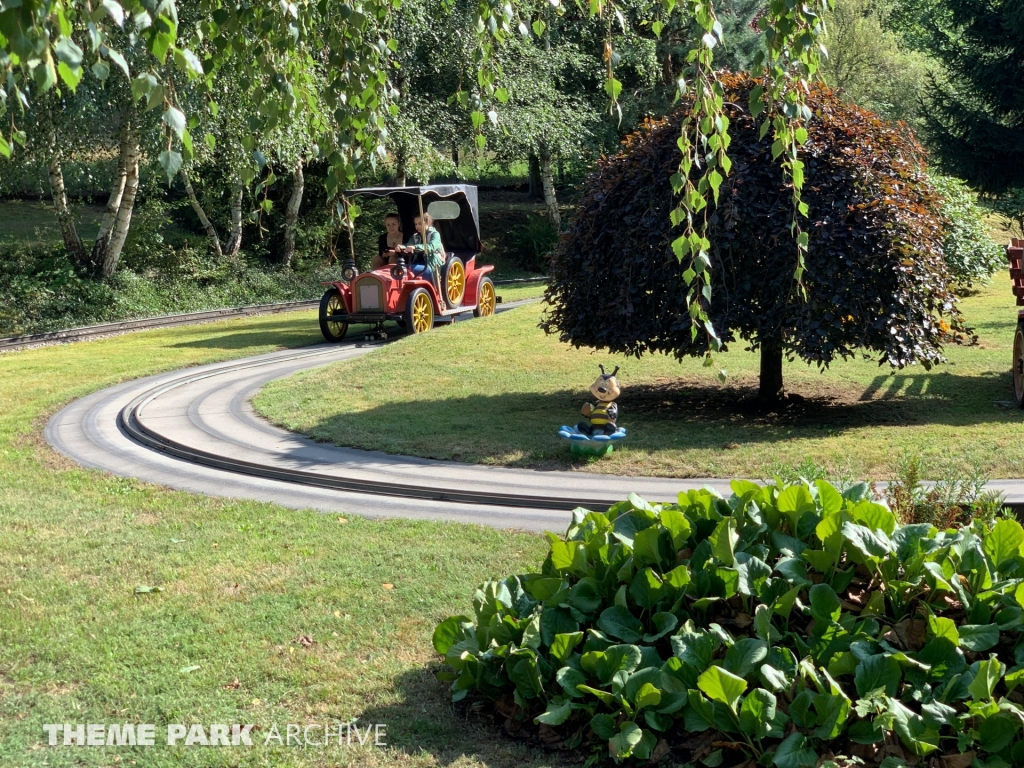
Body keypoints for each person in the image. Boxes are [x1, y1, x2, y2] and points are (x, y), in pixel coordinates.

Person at [394, 213, 446, 291]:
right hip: (418, 263)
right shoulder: (415, 236)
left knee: (409, 269)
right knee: (401, 269)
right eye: (416, 224)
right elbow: (408, 245)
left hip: (432, 264)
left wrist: (415, 247)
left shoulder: (435, 234)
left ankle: (424, 289)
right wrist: (401, 247)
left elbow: (431, 247)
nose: (417, 226)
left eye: (420, 223)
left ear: (427, 222)